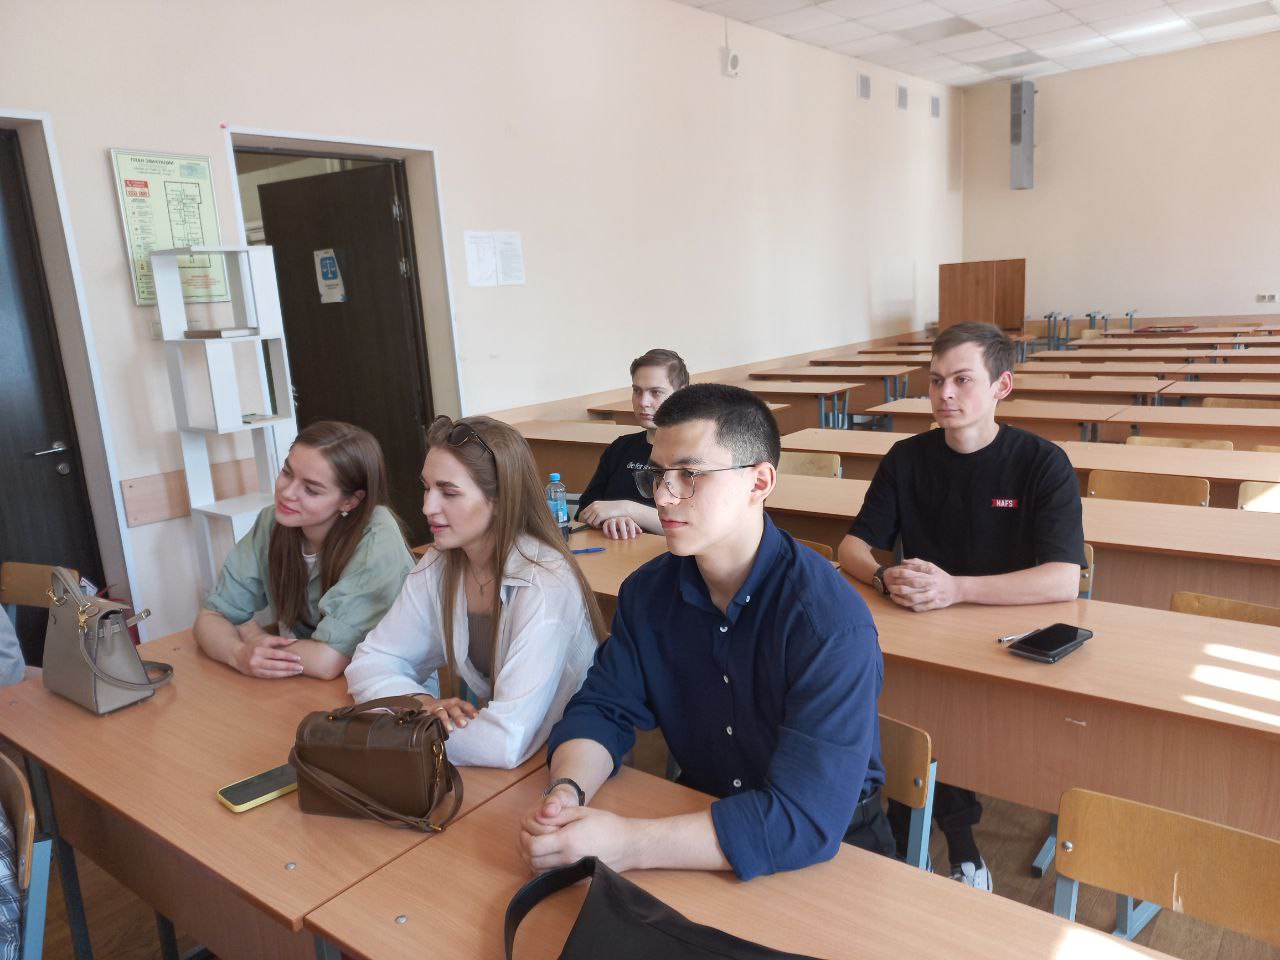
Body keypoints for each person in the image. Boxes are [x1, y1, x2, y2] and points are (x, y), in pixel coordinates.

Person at [518, 384, 889, 880]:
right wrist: (566, 793)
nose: (662, 496)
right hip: (700, 820)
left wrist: (627, 844)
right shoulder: (647, 594)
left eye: (689, 475)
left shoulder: (828, 623)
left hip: (832, 848)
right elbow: (603, 708)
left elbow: (803, 819)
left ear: (759, 482)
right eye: (657, 474)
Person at [837, 321, 1086, 892]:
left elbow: (1063, 580)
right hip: (923, 621)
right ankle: (938, 839)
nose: (944, 394)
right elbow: (852, 547)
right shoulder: (907, 458)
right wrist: (883, 577)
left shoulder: (1041, 463)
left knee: (936, 712)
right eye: (935, 380)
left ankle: (942, 836)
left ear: (1002, 386)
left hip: (1008, 631)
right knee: (908, 703)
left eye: (962, 380)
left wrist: (958, 589)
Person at [346, 416, 607, 769]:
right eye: (427, 488)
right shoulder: (441, 563)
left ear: (500, 500)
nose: (427, 507)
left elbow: (505, 740)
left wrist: (401, 731)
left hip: (568, 758)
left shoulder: (544, 581)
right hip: (496, 756)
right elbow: (371, 660)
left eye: (449, 492)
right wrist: (422, 705)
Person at [195, 421, 412, 681]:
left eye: (311, 489)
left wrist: (254, 637)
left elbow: (326, 661)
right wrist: (238, 653)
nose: (287, 493)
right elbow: (212, 617)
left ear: (350, 501)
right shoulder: (272, 522)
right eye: (287, 472)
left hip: (390, 687)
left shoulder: (377, 539)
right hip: (308, 682)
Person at [576, 348, 688, 540]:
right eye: (637, 391)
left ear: (682, 394)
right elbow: (584, 512)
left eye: (656, 392)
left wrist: (627, 509)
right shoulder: (620, 448)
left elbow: (697, 526)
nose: (643, 402)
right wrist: (611, 520)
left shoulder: (695, 453)